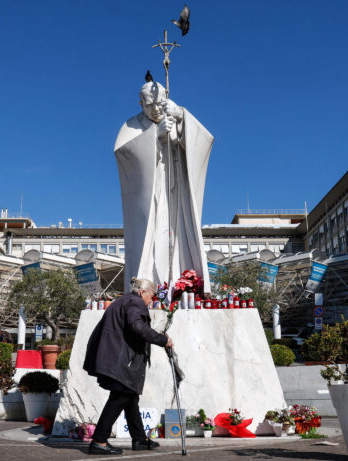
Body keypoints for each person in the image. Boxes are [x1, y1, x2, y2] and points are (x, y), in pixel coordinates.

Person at [115, 80, 213, 294]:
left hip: (178, 194)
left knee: (180, 238)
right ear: (140, 103)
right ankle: (146, 288)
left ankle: (184, 284)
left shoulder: (176, 114)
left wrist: (182, 118)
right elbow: (123, 154)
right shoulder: (131, 126)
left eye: (159, 102)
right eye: (149, 105)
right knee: (149, 243)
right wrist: (154, 135)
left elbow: (205, 141)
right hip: (150, 199)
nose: (155, 108)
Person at [83, 278, 173, 455]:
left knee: (130, 397)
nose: (151, 300)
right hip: (120, 360)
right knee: (120, 397)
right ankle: (99, 441)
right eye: (151, 296)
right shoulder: (135, 302)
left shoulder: (123, 301)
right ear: (142, 292)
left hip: (117, 358)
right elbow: (137, 326)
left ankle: (139, 439)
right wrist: (162, 340)